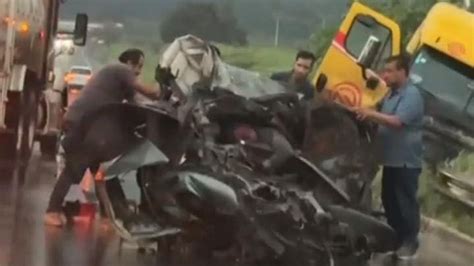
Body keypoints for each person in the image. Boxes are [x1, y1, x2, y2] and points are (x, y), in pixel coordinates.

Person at [44, 49, 161, 226]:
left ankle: (110, 214)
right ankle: (52, 211)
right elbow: (149, 93)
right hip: (82, 123)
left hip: (91, 126)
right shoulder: (121, 70)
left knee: (104, 172)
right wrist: (163, 91)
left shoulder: (119, 78)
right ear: (130, 63)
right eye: (139, 67)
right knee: (75, 167)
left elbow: (135, 104)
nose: (139, 72)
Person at [352, 54, 424, 260]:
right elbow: (378, 112)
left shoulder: (411, 95)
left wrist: (371, 114)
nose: (385, 75)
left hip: (405, 161)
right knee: (389, 199)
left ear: (403, 71)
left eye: (390, 70)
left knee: (405, 202)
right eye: (385, 71)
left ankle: (410, 241)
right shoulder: (390, 94)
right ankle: (395, 238)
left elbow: (397, 122)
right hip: (390, 159)